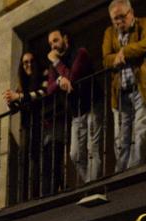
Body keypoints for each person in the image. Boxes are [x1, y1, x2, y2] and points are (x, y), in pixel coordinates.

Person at [103, 1, 146, 173]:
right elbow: (106, 59)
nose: (119, 22)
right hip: (120, 93)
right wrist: (115, 58)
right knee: (121, 140)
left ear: (131, 13)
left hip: (142, 88)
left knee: (141, 133)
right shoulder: (109, 33)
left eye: (122, 17)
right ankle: (121, 175)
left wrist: (124, 52)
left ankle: (135, 173)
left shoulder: (144, 24)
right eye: (115, 19)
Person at [49, 29, 99, 185]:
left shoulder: (80, 53)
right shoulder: (54, 65)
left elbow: (73, 77)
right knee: (75, 154)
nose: (53, 46)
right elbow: (49, 88)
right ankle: (91, 183)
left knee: (92, 148)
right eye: (50, 44)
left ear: (65, 38)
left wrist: (58, 64)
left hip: (92, 104)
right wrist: (59, 81)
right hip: (76, 112)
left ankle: (93, 185)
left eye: (55, 41)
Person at [4, 50, 55, 201]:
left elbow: (42, 93)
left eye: (31, 61)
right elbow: (16, 108)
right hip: (28, 127)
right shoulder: (21, 85)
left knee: (43, 159)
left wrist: (18, 96)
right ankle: (29, 195)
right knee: (30, 160)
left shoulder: (44, 74)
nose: (29, 65)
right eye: (25, 62)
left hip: (43, 124)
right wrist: (10, 102)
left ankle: (43, 193)